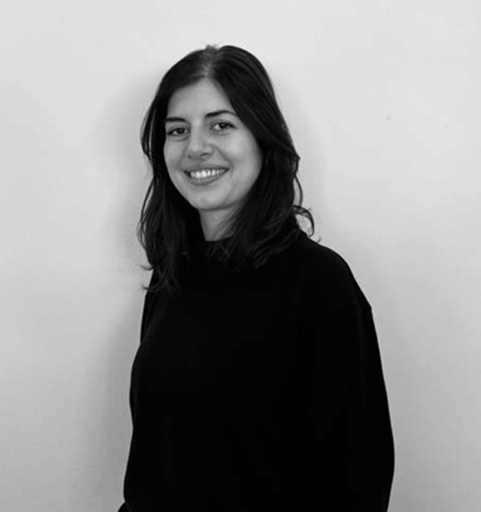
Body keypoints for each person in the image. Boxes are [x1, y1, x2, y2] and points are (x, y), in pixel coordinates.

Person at [118, 44, 394, 512]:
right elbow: (159, 466)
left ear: (263, 138)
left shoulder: (319, 284)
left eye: (221, 125)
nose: (195, 147)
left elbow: (357, 482)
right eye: (178, 130)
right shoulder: (173, 277)